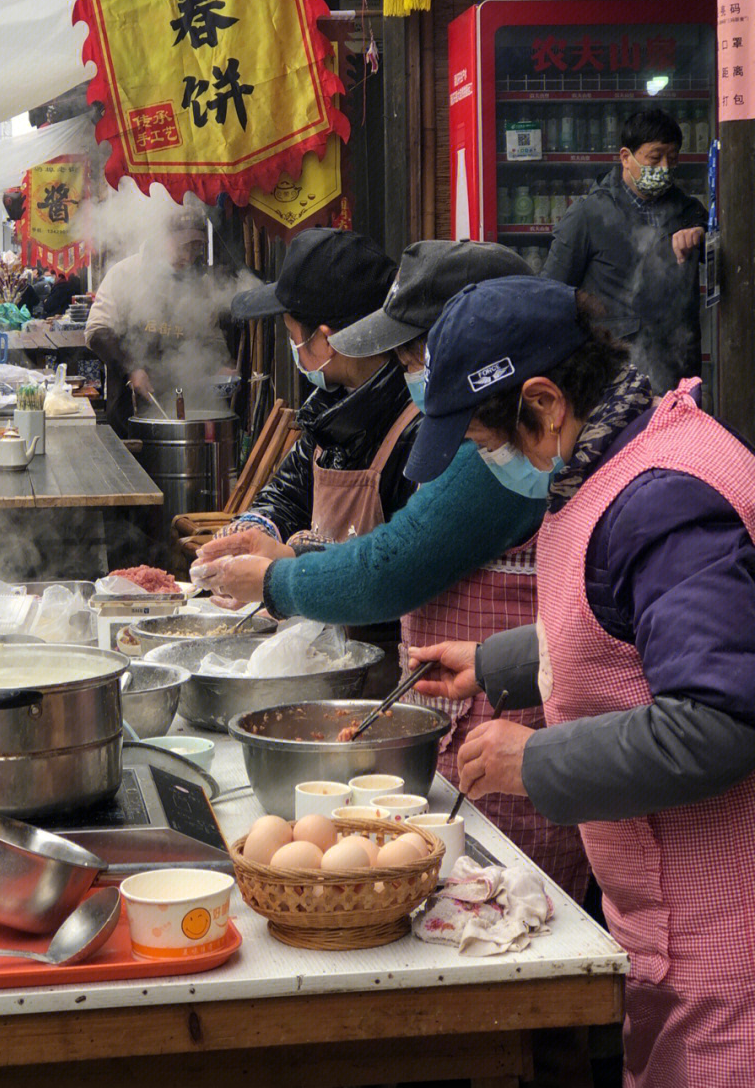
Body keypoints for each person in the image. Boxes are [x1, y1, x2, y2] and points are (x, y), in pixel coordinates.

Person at [404, 275, 755, 1087]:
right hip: (667, 930)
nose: (497, 460)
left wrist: (536, 760)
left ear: (546, 400)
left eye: (494, 439)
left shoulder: (661, 499)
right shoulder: (620, 461)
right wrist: (494, 663)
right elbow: (626, 630)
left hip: (727, 940)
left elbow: (719, 717)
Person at [198, 242, 588, 933]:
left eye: (413, 356)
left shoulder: (512, 446)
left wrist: (280, 576)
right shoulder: (453, 423)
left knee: (533, 930)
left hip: (523, 747)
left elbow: (395, 563)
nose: (409, 374)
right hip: (484, 712)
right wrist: (499, 662)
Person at [214, 229, 415, 554]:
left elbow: (400, 560)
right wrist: (256, 529)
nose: (294, 347)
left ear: (325, 340)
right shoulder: (330, 411)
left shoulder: (413, 427)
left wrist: (298, 562)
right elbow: (288, 496)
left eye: (292, 335)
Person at [542, 105, 707, 391]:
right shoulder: (588, 214)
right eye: (655, 159)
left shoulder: (688, 210)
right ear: (625, 158)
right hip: (613, 374)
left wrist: (702, 236)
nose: (664, 169)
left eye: (672, 158)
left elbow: (728, 261)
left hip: (679, 368)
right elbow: (551, 294)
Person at [85, 208, 229, 436]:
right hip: (129, 410)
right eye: (183, 246)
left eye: (196, 247)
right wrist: (131, 367)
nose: (190, 256)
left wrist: (221, 364)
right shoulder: (126, 273)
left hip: (185, 403)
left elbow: (211, 336)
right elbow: (96, 331)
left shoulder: (199, 285)